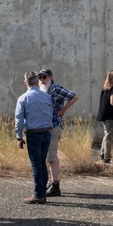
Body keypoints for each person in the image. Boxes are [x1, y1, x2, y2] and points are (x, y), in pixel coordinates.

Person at [37, 67, 77, 197]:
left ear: (50, 78)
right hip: (46, 127)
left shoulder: (56, 89)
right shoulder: (42, 90)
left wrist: (63, 110)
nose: (42, 80)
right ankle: (53, 181)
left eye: (44, 77)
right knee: (51, 156)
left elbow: (74, 96)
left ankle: (55, 185)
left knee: (51, 156)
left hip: (54, 126)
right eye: (40, 77)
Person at [15, 71, 53, 204]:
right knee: (42, 163)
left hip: (34, 133)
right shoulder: (46, 97)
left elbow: (19, 120)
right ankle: (42, 193)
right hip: (47, 132)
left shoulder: (23, 98)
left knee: (36, 164)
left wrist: (19, 137)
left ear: (25, 82)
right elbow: (50, 114)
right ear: (37, 82)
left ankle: (38, 194)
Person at [95, 69, 113, 163]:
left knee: (106, 135)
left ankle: (103, 154)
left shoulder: (105, 88)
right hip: (110, 115)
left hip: (103, 115)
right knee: (109, 136)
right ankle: (107, 157)